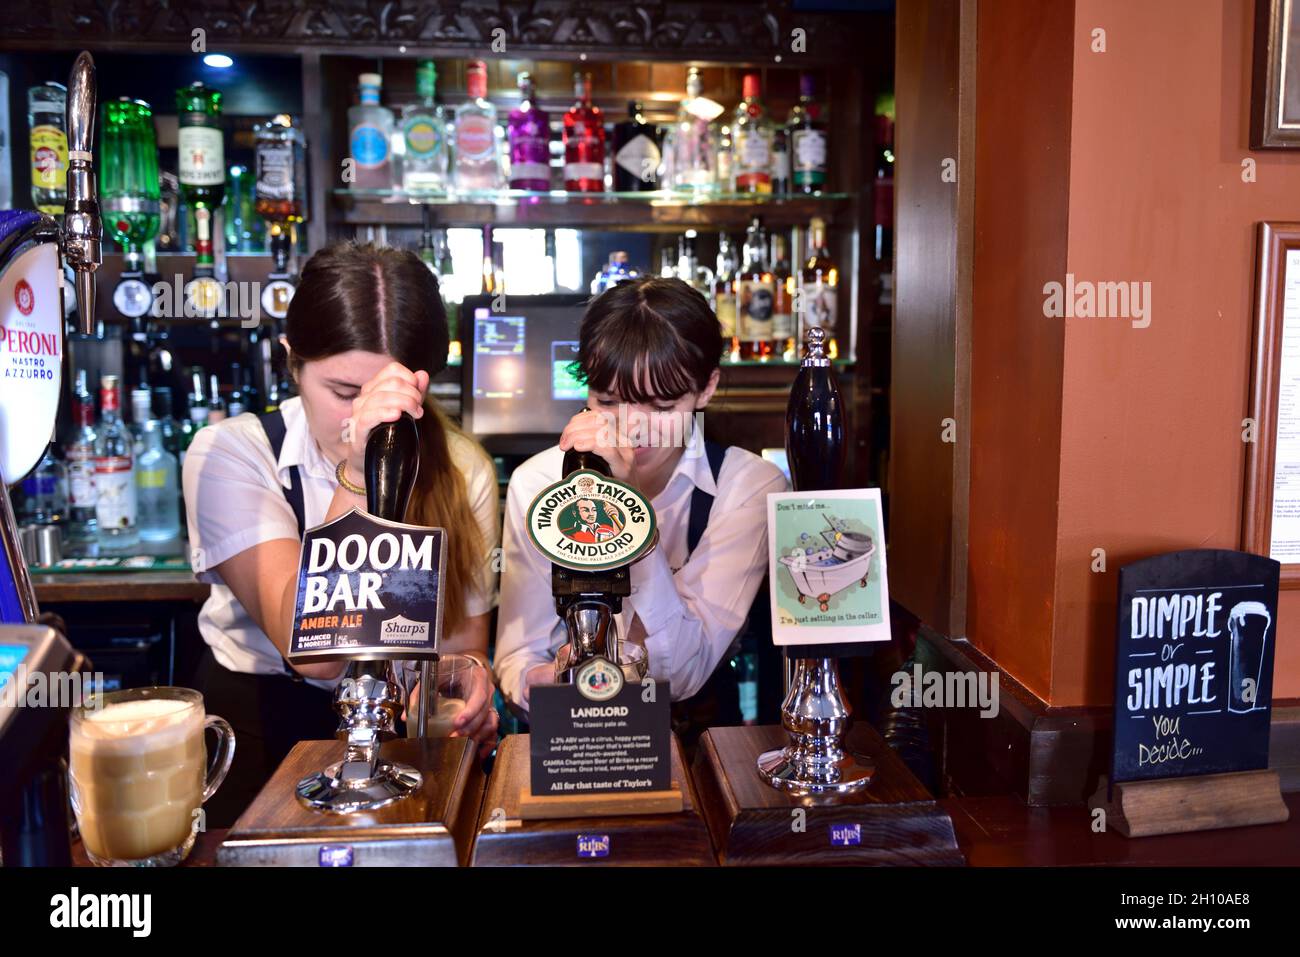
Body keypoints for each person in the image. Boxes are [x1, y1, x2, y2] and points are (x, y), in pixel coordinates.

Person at [183, 242, 500, 826]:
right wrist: (359, 470)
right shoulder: (233, 453)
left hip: (403, 739)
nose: (367, 416)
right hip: (262, 729)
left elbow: (460, 647)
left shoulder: (463, 468)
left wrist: (472, 684)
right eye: (346, 394)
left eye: (393, 394)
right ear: (291, 361)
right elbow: (319, 658)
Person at [494, 276, 789, 750]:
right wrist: (536, 680)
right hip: (571, 748)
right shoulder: (538, 482)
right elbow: (519, 654)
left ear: (707, 388)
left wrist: (628, 505)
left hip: (700, 748)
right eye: (607, 401)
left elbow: (684, 672)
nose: (631, 427)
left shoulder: (747, 486)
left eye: (661, 406)